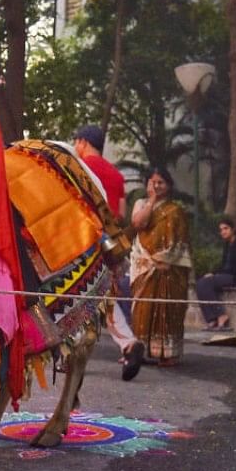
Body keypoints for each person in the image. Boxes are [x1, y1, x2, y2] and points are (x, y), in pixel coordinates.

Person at [72, 124, 145, 381]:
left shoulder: (80, 167)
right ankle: (128, 343)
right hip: (112, 243)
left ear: (82, 142)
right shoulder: (116, 174)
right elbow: (122, 213)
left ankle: (73, 353)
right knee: (108, 296)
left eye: (76, 143)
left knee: (77, 295)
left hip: (86, 241)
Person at [128, 166, 192, 367]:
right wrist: (152, 201)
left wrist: (166, 260)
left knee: (168, 308)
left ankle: (167, 353)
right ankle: (140, 351)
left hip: (169, 268)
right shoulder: (140, 203)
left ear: (169, 185)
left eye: (161, 182)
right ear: (147, 184)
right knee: (142, 308)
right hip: (144, 264)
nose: (156, 185)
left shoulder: (176, 211)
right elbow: (139, 224)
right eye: (153, 182)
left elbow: (181, 244)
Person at [195, 215, 236, 331]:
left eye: (226, 228)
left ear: (232, 229)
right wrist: (214, 274)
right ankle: (212, 319)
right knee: (200, 283)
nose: (223, 232)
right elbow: (224, 266)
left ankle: (222, 316)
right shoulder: (228, 245)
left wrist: (217, 276)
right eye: (221, 230)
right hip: (229, 276)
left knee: (206, 283)